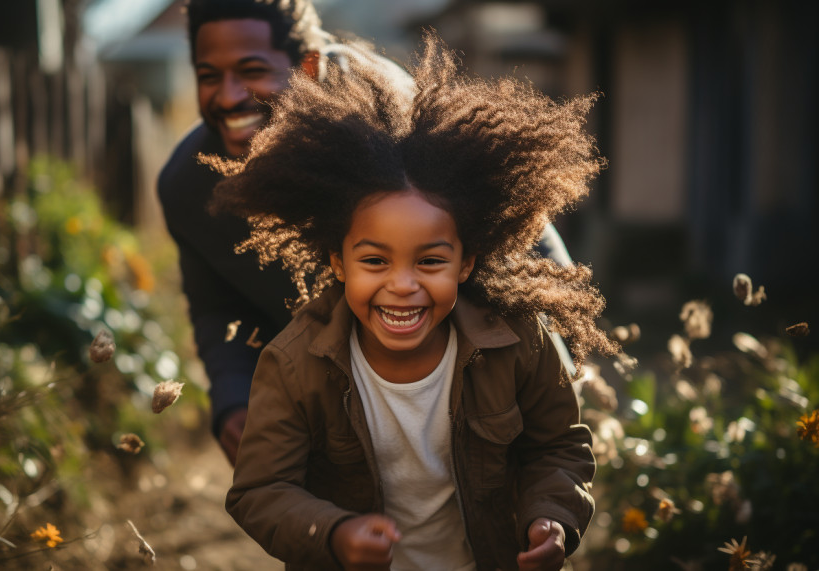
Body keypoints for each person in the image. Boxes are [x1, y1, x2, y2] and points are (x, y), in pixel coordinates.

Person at [207, 32, 620, 570]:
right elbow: (260, 492)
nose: (403, 285)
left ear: (466, 262)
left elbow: (559, 447)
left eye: (429, 261)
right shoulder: (293, 365)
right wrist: (333, 534)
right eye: (375, 261)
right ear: (338, 261)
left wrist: (552, 516)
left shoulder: (517, 340)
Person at [157, 0, 575, 466]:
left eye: (252, 70)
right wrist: (233, 401)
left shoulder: (387, 124)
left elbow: (515, 240)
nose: (229, 95)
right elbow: (219, 309)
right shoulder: (187, 187)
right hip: (336, 410)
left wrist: (553, 362)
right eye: (208, 75)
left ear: (308, 65)